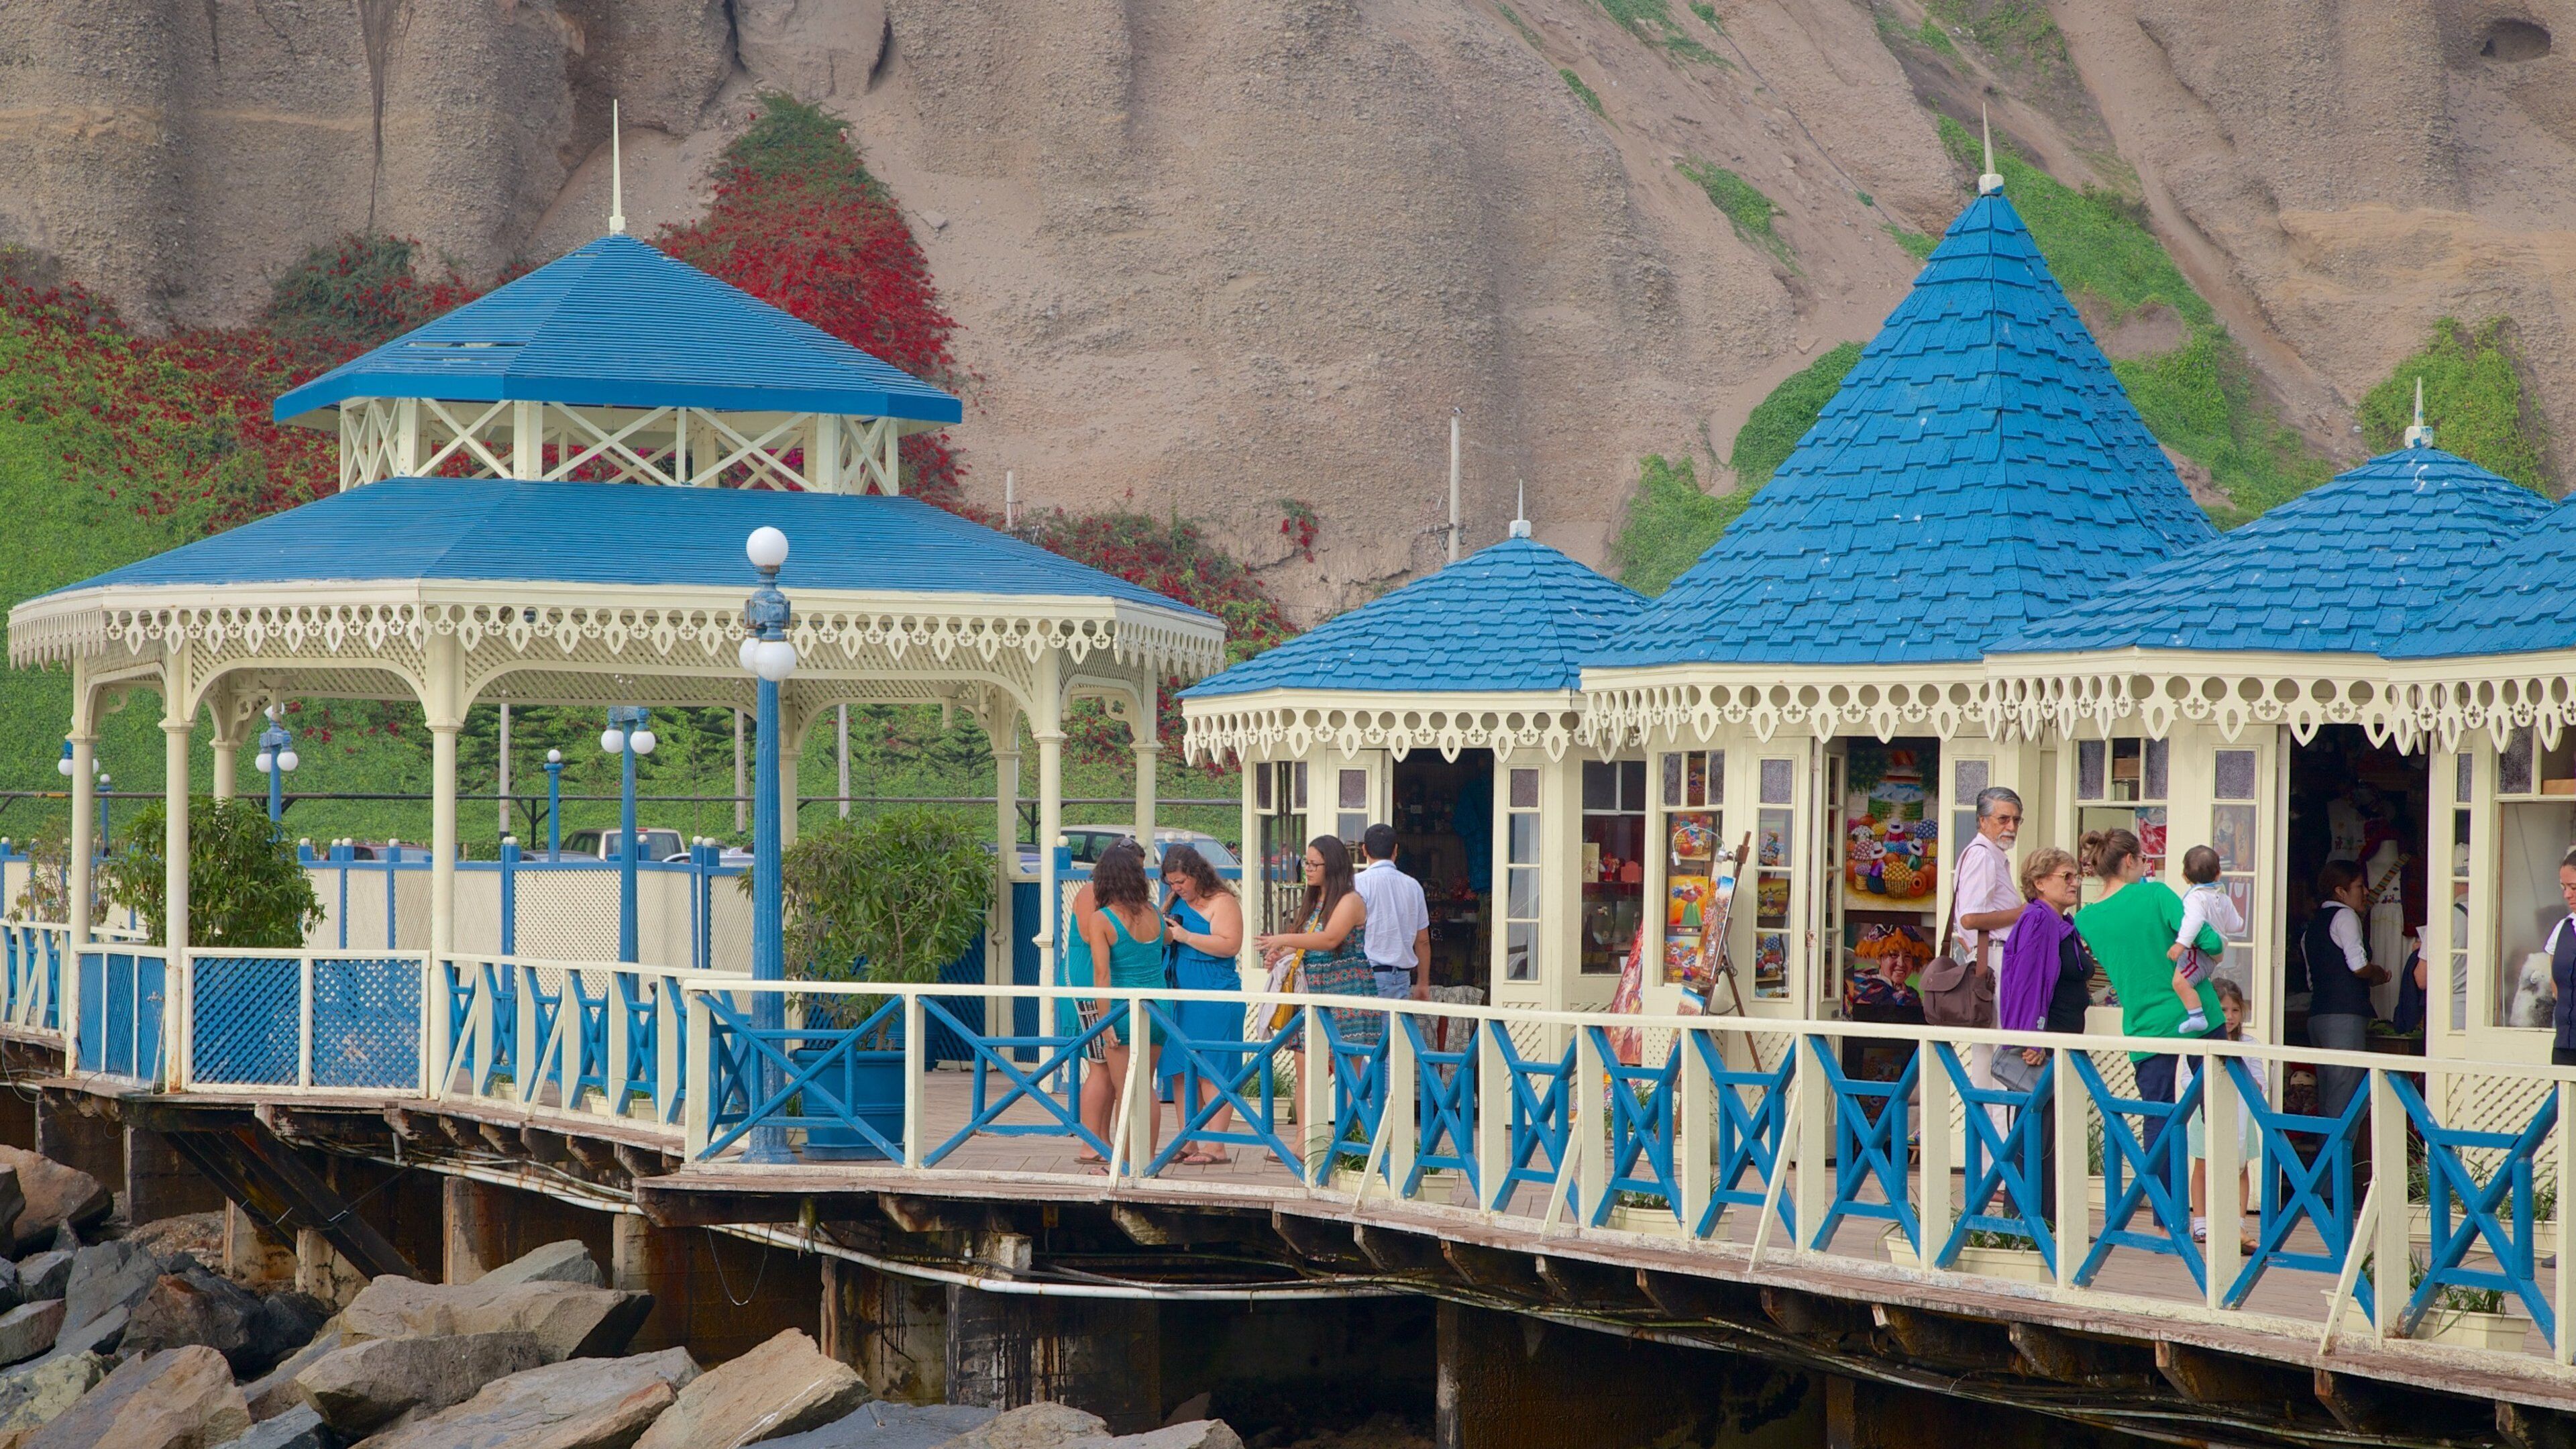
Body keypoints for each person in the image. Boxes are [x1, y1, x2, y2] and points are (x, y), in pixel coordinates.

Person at [2076, 828, 2224, 1152]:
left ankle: (2164, 1204)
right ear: (2129, 860)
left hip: (2146, 1025)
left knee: (2159, 1121)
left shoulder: (2085, 919)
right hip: (2198, 1013)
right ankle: (2221, 1203)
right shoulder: (2155, 895)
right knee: (2220, 1117)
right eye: (2143, 858)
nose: (2145, 864)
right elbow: (2211, 941)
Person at [1998, 845, 2091, 1214]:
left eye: (2076, 876)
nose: (2074, 883)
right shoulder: (2038, 919)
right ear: (2039, 883)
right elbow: (2025, 983)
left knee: (2051, 1134)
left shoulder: (2064, 923)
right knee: (2035, 1133)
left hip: (2064, 1041)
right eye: (2065, 877)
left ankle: (2046, 1220)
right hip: (2042, 1042)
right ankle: (2026, 1221)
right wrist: (2030, 1039)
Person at [1253, 837, 1381, 1081]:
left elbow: (1330, 939)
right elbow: (1309, 941)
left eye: (1314, 865)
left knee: (1347, 1074)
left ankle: (1351, 1121)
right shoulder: (1315, 899)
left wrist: (1282, 939)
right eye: (1306, 864)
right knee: (1305, 1070)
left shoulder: (1350, 900)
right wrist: (1282, 955)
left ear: (1332, 866)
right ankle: (1307, 1123)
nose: (1307, 870)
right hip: (1311, 990)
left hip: (1345, 991)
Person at [1075, 840, 1166, 1173]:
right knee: (1147, 1086)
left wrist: (1105, 1021)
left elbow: (1102, 975)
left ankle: (1127, 1164)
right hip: (1159, 1009)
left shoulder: (1102, 919)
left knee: (1127, 1089)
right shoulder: (1155, 913)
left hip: (1123, 1011)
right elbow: (1166, 942)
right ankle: (1147, 1160)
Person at [1158, 844, 1246, 1165]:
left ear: (1196, 874)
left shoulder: (1222, 902)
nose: (1176, 887)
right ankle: (1190, 1139)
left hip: (1213, 993)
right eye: (1171, 882)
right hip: (1180, 994)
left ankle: (1216, 1144)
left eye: (1181, 881)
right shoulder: (1176, 901)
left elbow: (1230, 944)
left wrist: (1185, 937)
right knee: (1182, 1070)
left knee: (1213, 1068)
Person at [1953, 787, 2024, 1099]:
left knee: (1990, 1054)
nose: (2011, 827)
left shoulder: (1990, 855)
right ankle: (1991, 1143)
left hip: (1994, 960)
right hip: (1992, 960)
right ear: (1983, 821)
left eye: (2016, 820)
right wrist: (2026, 912)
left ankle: (1987, 1144)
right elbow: (1970, 918)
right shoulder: (1983, 855)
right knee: (1997, 1053)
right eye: (2003, 819)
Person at [2300, 859, 2382, 1119]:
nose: (2365, 892)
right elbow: (2358, 966)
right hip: (2343, 1018)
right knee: (2345, 1100)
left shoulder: (2311, 928)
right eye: (2359, 886)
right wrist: (2379, 973)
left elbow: (2312, 980)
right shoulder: (2345, 916)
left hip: (2318, 1016)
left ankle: (2327, 1160)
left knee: (2329, 1097)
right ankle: (2334, 1160)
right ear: (2341, 891)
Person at [2188, 977, 2261, 1252]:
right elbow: (2188, 1079)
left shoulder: (2249, 1043)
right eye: (2222, 1010)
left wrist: (2247, 1079)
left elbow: (2259, 1082)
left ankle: (2238, 1224)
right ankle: (2201, 1223)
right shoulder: (2200, 1041)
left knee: (2241, 1168)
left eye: (2234, 1010)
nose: (2229, 1017)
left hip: (2241, 1114)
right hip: (2205, 1110)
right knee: (2203, 1165)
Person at [2167, 845, 2245, 1036]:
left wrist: (2181, 944)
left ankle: (2197, 1017)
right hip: (2214, 953)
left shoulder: (2196, 898)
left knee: (2180, 983)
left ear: (2185, 877)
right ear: (2218, 874)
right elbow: (2237, 925)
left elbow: (2193, 922)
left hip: (2198, 953)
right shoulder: (2222, 897)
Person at [1354, 824, 1432, 1002]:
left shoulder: (1357, 884)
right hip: (1402, 978)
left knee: (1371, 1031)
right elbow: (1423, 941)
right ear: (1396, 850)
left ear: (1364, 850)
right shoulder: (1414, 886)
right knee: (1396, 1030)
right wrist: (1423, 983)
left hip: (1367, 975)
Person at [2542, 847, 2576, 1067]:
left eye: (2573, 887)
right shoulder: (2562, 929)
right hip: (2565, 1045)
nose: (2566, 895)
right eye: (2563, 887)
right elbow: (2556, 988)